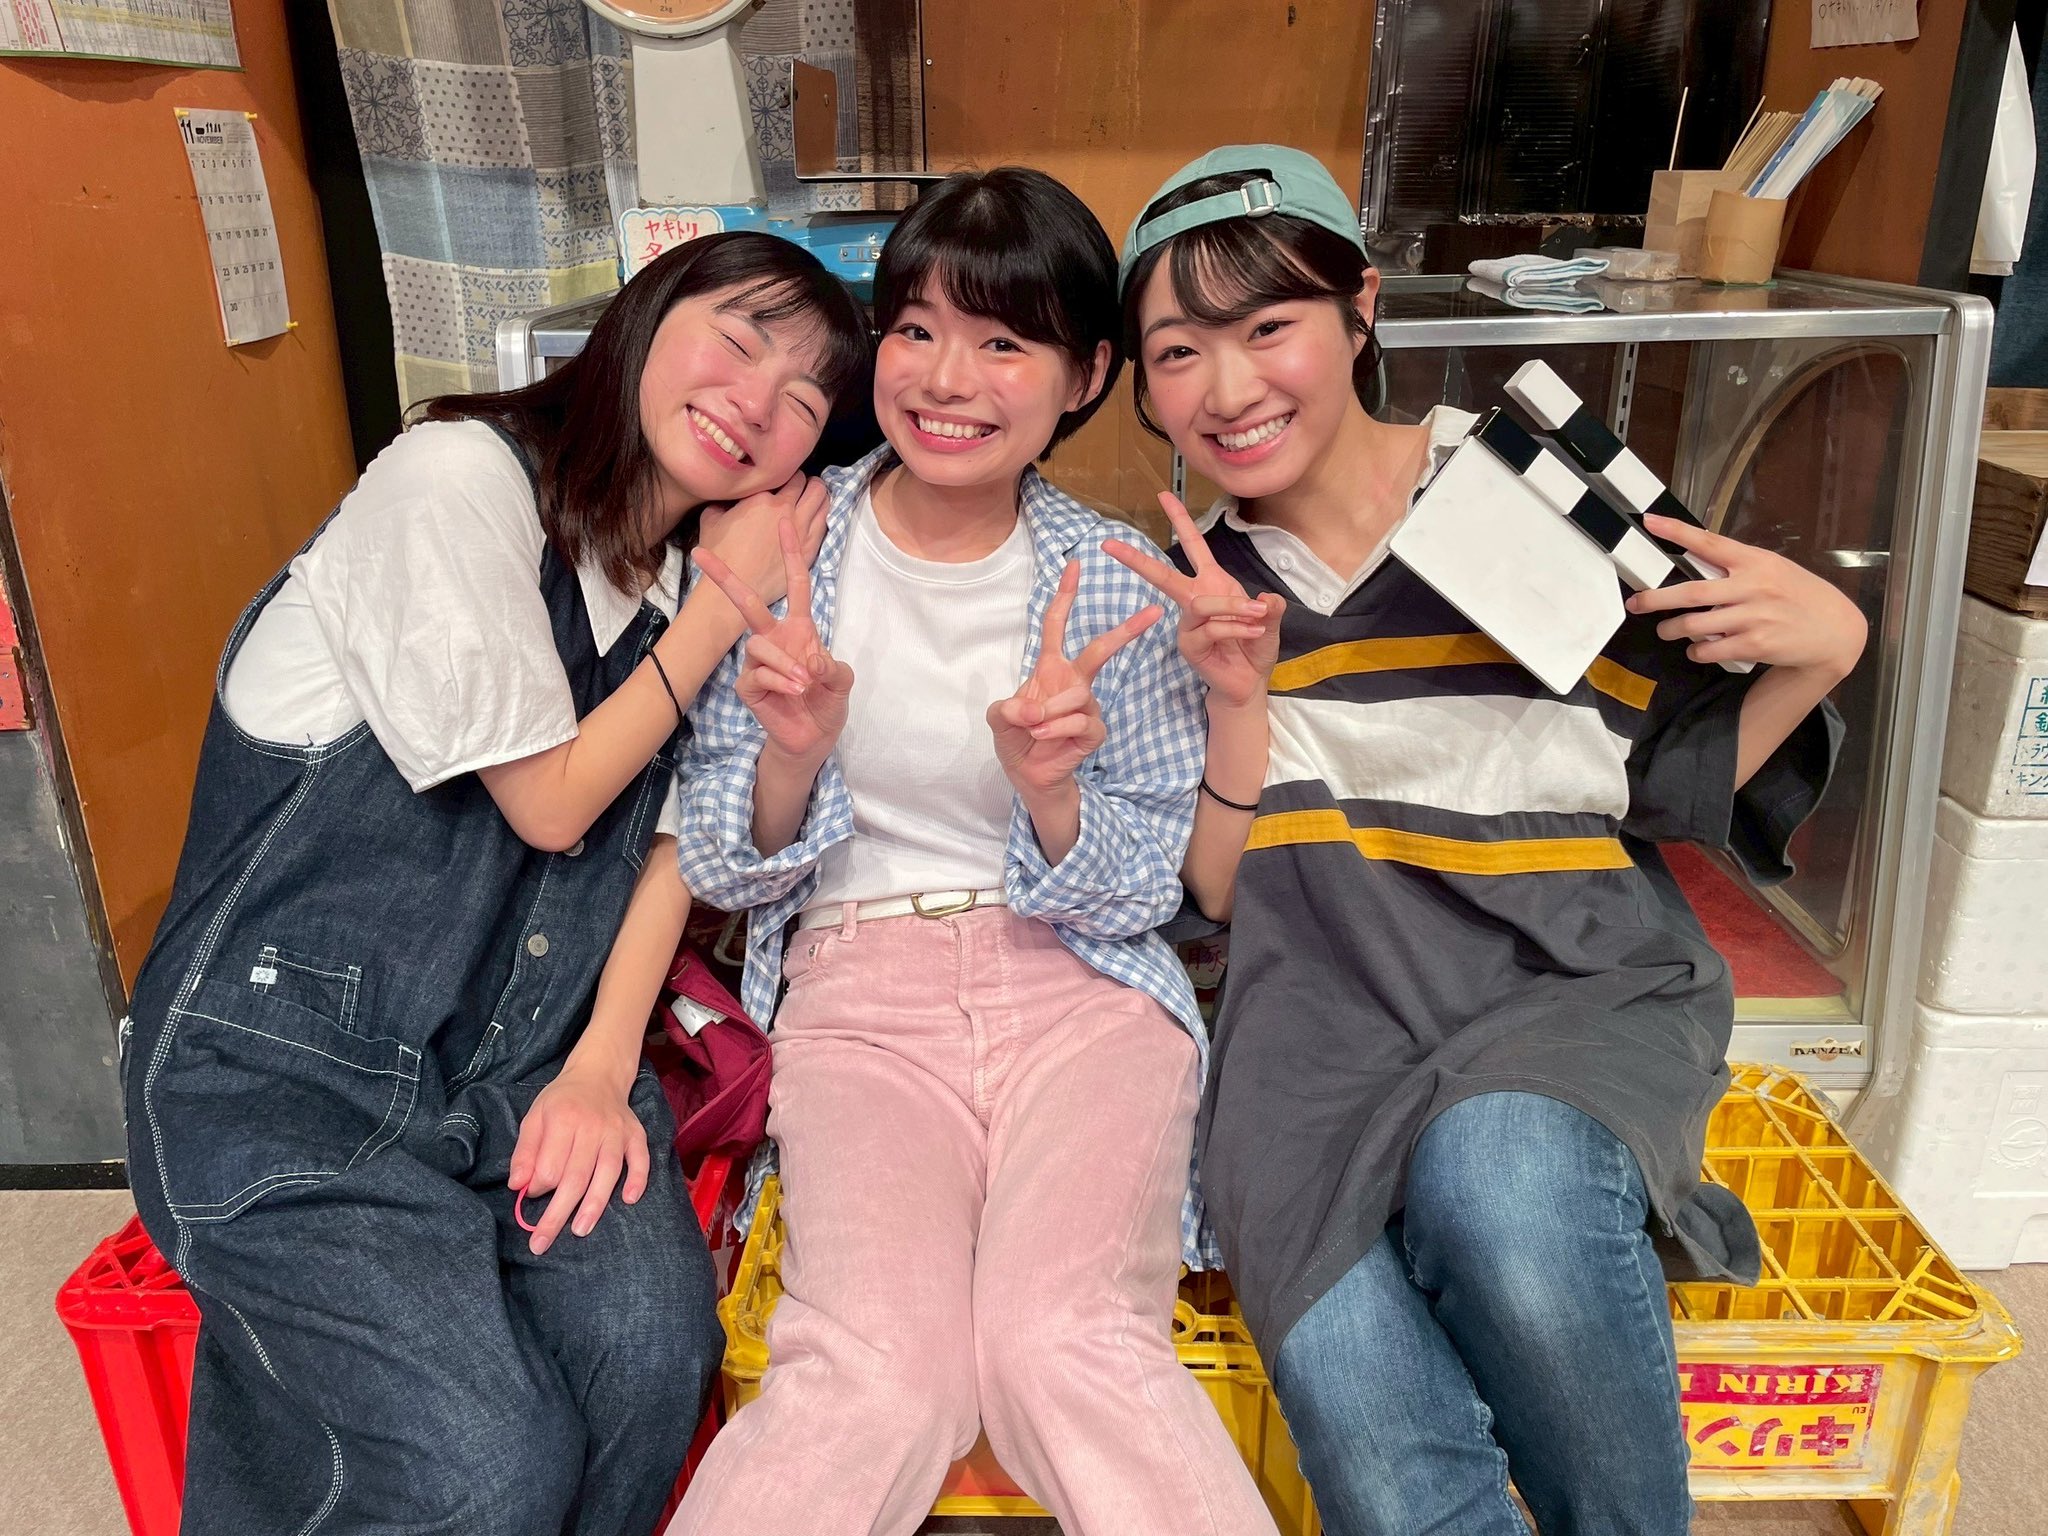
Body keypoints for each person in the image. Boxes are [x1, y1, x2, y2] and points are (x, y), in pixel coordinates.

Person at [1105, 145, 1864, 1536]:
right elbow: (1213, 893)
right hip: (1313, 1037)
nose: (1228, 387)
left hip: (1562, 987)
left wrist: (1826, 650)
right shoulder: (1196, 593)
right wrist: (1231, 701)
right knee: (1382, 1448)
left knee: (1501, 1180)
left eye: (1268, 327)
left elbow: (1661, 771)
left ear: (1362, 308)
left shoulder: (1531, 488)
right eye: (1177, 352)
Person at [124, 231, 870, 1536]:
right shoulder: (458, 478)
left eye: (806, 396)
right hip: (280, 1080)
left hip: (522, 1074)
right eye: (739, 338)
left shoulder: (679, 585)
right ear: (647, 316)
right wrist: (719, 610)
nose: (758, 400)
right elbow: (555, 800)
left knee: (650, 1356)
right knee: (482, 1461)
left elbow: (672, 846)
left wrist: (599, 1069)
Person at [668, 168, 1279, 1536]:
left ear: (1086, 377)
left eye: (1005, 342)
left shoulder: (1116, 576)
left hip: (1084, 1001)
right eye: (917, 330)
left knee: (1065, 1341)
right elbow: (717, 858)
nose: (949, 379)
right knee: (878, 1375)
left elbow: (1155, 886)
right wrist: (792, 754)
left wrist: (1051, 796)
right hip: (858, 1003)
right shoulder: (785, 543)